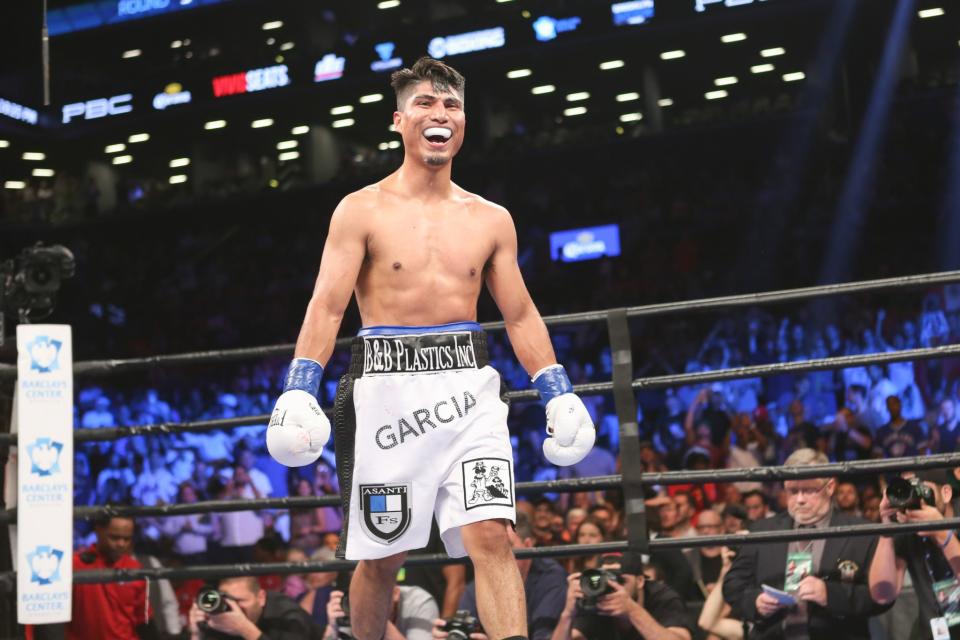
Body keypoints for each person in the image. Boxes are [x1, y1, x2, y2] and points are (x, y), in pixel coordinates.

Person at [263, 56, 595, 640]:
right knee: (384, 555)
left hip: (469, 391)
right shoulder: (360, 209)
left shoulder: (491, 219)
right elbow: (327, 305)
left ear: (463, 122)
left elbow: (517, 313)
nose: (439, 114)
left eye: (451, 105)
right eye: (425, 103)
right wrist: (299, 387)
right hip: (387, 399)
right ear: (398, 120)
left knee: (493, 535)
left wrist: (558, 391)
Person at [722, 448, 886, 639]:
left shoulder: (861, 532)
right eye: (792, 491)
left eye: (808, 490)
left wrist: (830, 594)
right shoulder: (762, 530)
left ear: (830, 487)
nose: (799, 500)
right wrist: (756, 602)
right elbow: (733, 585)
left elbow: (881, 597)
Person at [430, 512, 568, 640]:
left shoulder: (551, 578)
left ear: (528, 545)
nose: (500, 554)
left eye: (508, 546)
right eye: (492, 547)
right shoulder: (481, 580)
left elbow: (543, 637)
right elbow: (466, 627)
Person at [868, 468, 960, 639]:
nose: (916, 498)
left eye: (921, 489)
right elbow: (882, 594)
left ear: (946, 493)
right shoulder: (908, 527)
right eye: (909, 490)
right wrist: (886, 529)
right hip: (931, 631)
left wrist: (940, 532)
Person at [550, 552, 694, 640]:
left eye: (620, 580)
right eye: (606, 581)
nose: (612, 588)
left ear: (640, 581)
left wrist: (632, 611)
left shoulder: (662, 597)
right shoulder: (596, 597)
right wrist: (568, 614)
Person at [67, 515, 149, 640]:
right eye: (114, 537)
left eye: (127, 539)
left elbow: (143, 620)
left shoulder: (135, 569)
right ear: (98, 530)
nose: (121, 544)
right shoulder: (74, 565)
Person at [186, 575, 322, 639]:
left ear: (261, 597)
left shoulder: (286, 615)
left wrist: (245, 629)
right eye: (227, 600)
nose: (234, 608)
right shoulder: (221, 616)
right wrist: (196, 635)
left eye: (239, 601)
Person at [327, 584, 438, 640]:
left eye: (375, 594)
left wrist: (374, 617)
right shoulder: (351, 605)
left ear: (395, 593)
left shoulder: (419, 601)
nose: (367, 600)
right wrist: (333, 629)